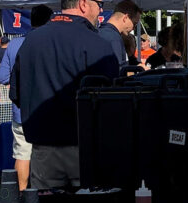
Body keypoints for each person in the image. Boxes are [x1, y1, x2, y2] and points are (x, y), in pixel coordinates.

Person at [11, 0, 119, 189]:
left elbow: (17, 94)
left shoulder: (31, 41)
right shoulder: (97, 44)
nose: (101, 9)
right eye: (99, 3)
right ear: (84, 4)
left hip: (43, 150)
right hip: (84, 149)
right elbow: (111, 103)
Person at [0, 5, 51, 191]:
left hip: (21, 109)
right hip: (46, 108)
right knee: (46, 155)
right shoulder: (50, 43)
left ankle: (21, 195)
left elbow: (3, 77)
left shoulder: (14, 44)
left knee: (22, 154)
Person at [98, 0, 142, 68]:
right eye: (134, 24)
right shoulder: (114, 38)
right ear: (125, 18)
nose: (133, 28)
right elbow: (117, 72)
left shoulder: (100, 32)